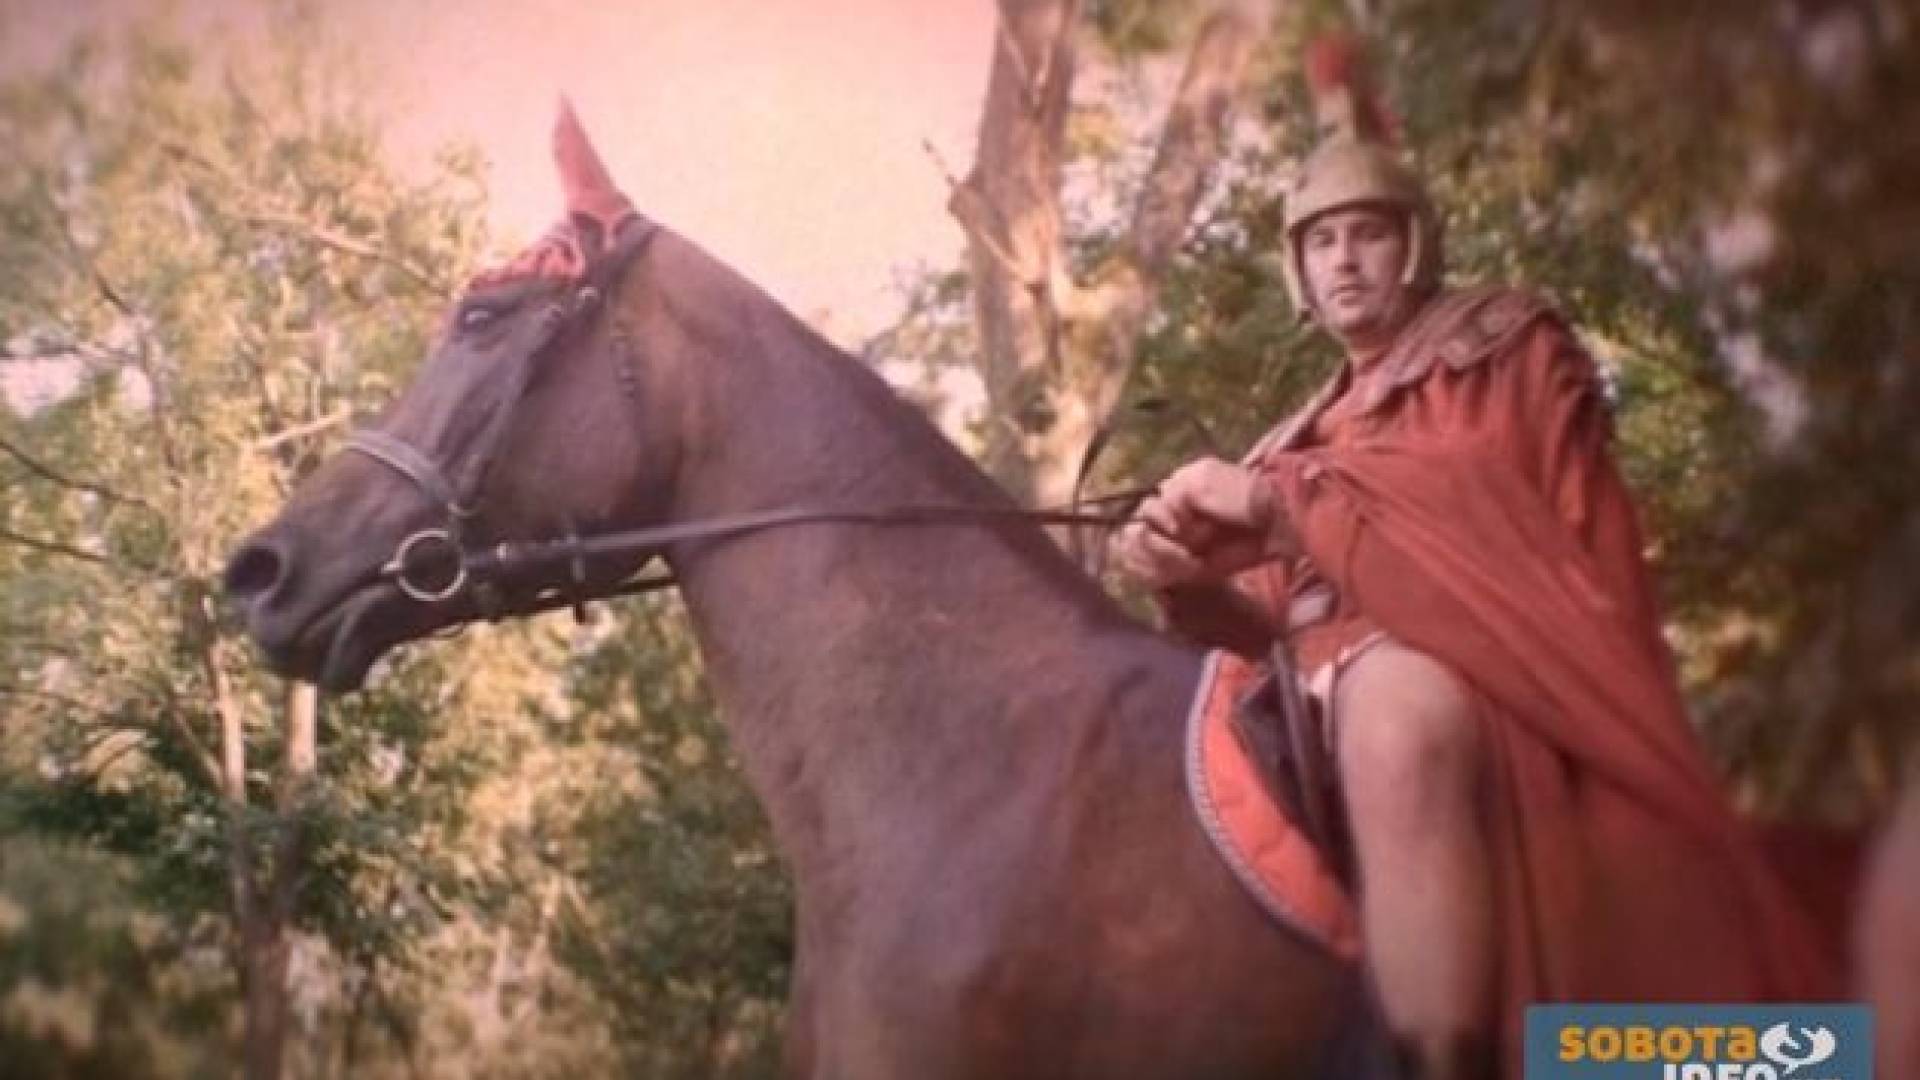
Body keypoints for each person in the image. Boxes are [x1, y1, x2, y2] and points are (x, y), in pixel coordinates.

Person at [1114, 34, 1839, 1080]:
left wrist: (1283, 505)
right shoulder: (1286, 439)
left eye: (1368, 233)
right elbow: (1269, 631)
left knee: (1397, 718)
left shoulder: (1501, 347)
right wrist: (1192, 585)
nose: (1344, 260)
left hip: (1488, 678)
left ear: (1413, 245)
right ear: (1297, 271)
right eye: (1322, 242)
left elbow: (1501, 524)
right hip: (1311, 700)